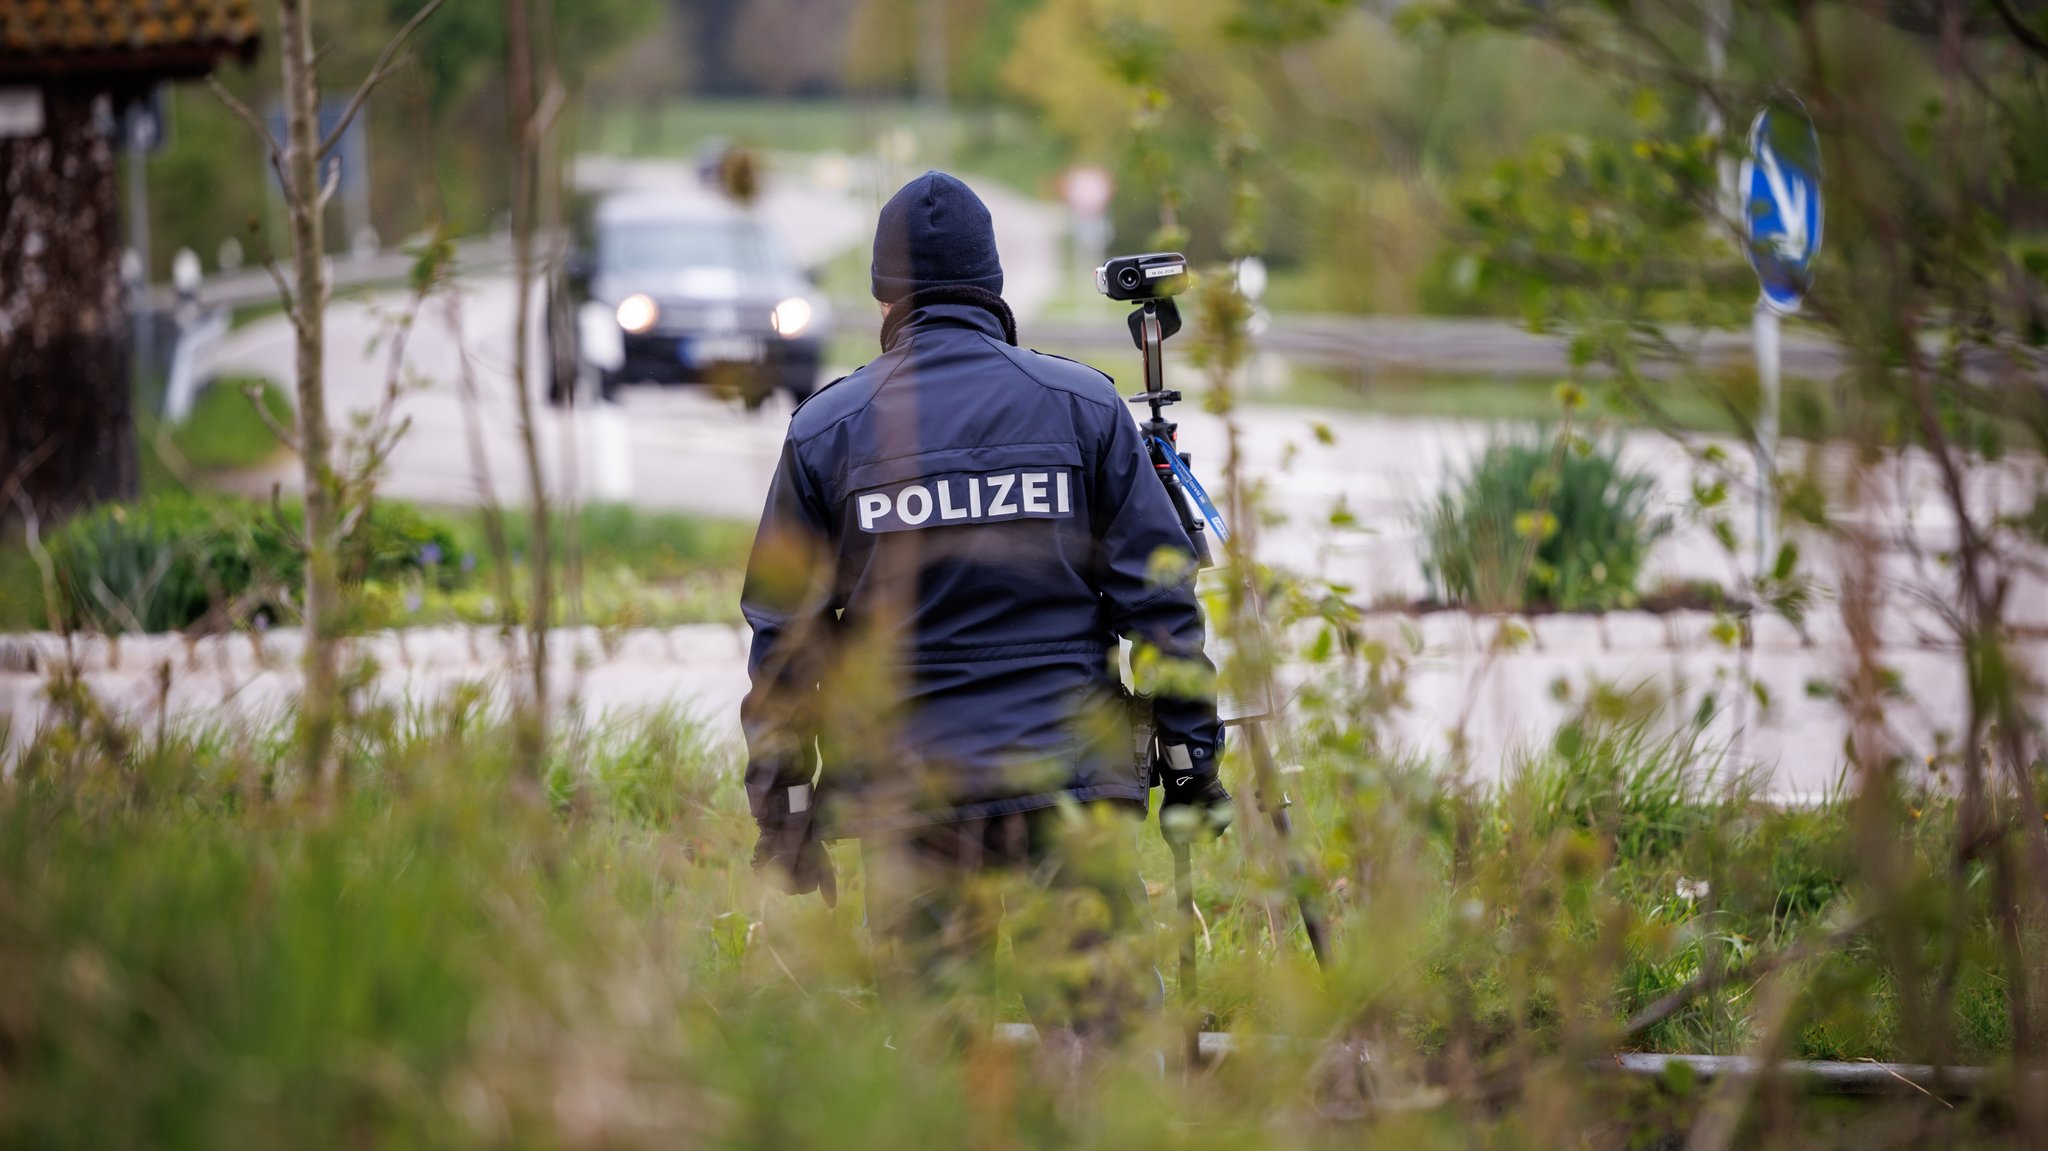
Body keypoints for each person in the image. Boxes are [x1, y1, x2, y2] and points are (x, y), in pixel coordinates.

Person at [740, 171, 1231, 1024]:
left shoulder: (828, 431)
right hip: (1073, 783)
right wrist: (1192, 759)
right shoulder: (1084, 407)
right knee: (1104, 1036)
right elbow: (1162, 601)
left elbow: (787, 646)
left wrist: (785, 815)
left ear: (884, 294)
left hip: (913, 796)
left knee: (936, 1055)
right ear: (995, 284)